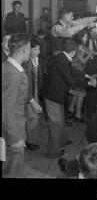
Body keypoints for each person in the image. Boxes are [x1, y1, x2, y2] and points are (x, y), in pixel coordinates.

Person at [43, 40, 96, 158]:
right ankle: (53, 152)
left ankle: (60, 142)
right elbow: (70, 79)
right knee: (55, 126)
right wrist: (88, 84)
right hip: (53, 96)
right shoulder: (62, 60)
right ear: (73, 52)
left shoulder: (62, 57)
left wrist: (85, 76)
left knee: (60, 122)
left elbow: (72, 70)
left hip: (57, 96)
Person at [2, 33, 30, 178]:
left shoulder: (8, 67)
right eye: (30, 48)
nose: (30, 52)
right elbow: (6, 109)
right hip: (13, 132)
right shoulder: (13, 74)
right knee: (14, 171)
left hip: (12, 128)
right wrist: (14, 137)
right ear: (24, 49)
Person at [68, 29, 94, 122]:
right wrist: (90, 53)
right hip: (77, 72)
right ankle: (78, 115)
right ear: (82, 37)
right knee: (81, 94)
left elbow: (89, 51)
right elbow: (83, 61)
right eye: (86, 37)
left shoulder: (82, 45)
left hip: (79, 71)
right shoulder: (79, 47)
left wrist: (92, 52)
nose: (87, 39)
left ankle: (71, 110)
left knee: (76, 93)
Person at [22, 38, 44, 150]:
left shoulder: (37, 60)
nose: (37, 52)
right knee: (33, 117)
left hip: (35, 91)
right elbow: (26, 84)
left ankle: (29, 139)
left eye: (38, 49)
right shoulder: (26, 63)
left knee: (32, 117)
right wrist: (31, 99)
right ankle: (31, 141)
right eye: (34, 50)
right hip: (29, 93)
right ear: (28, 50)